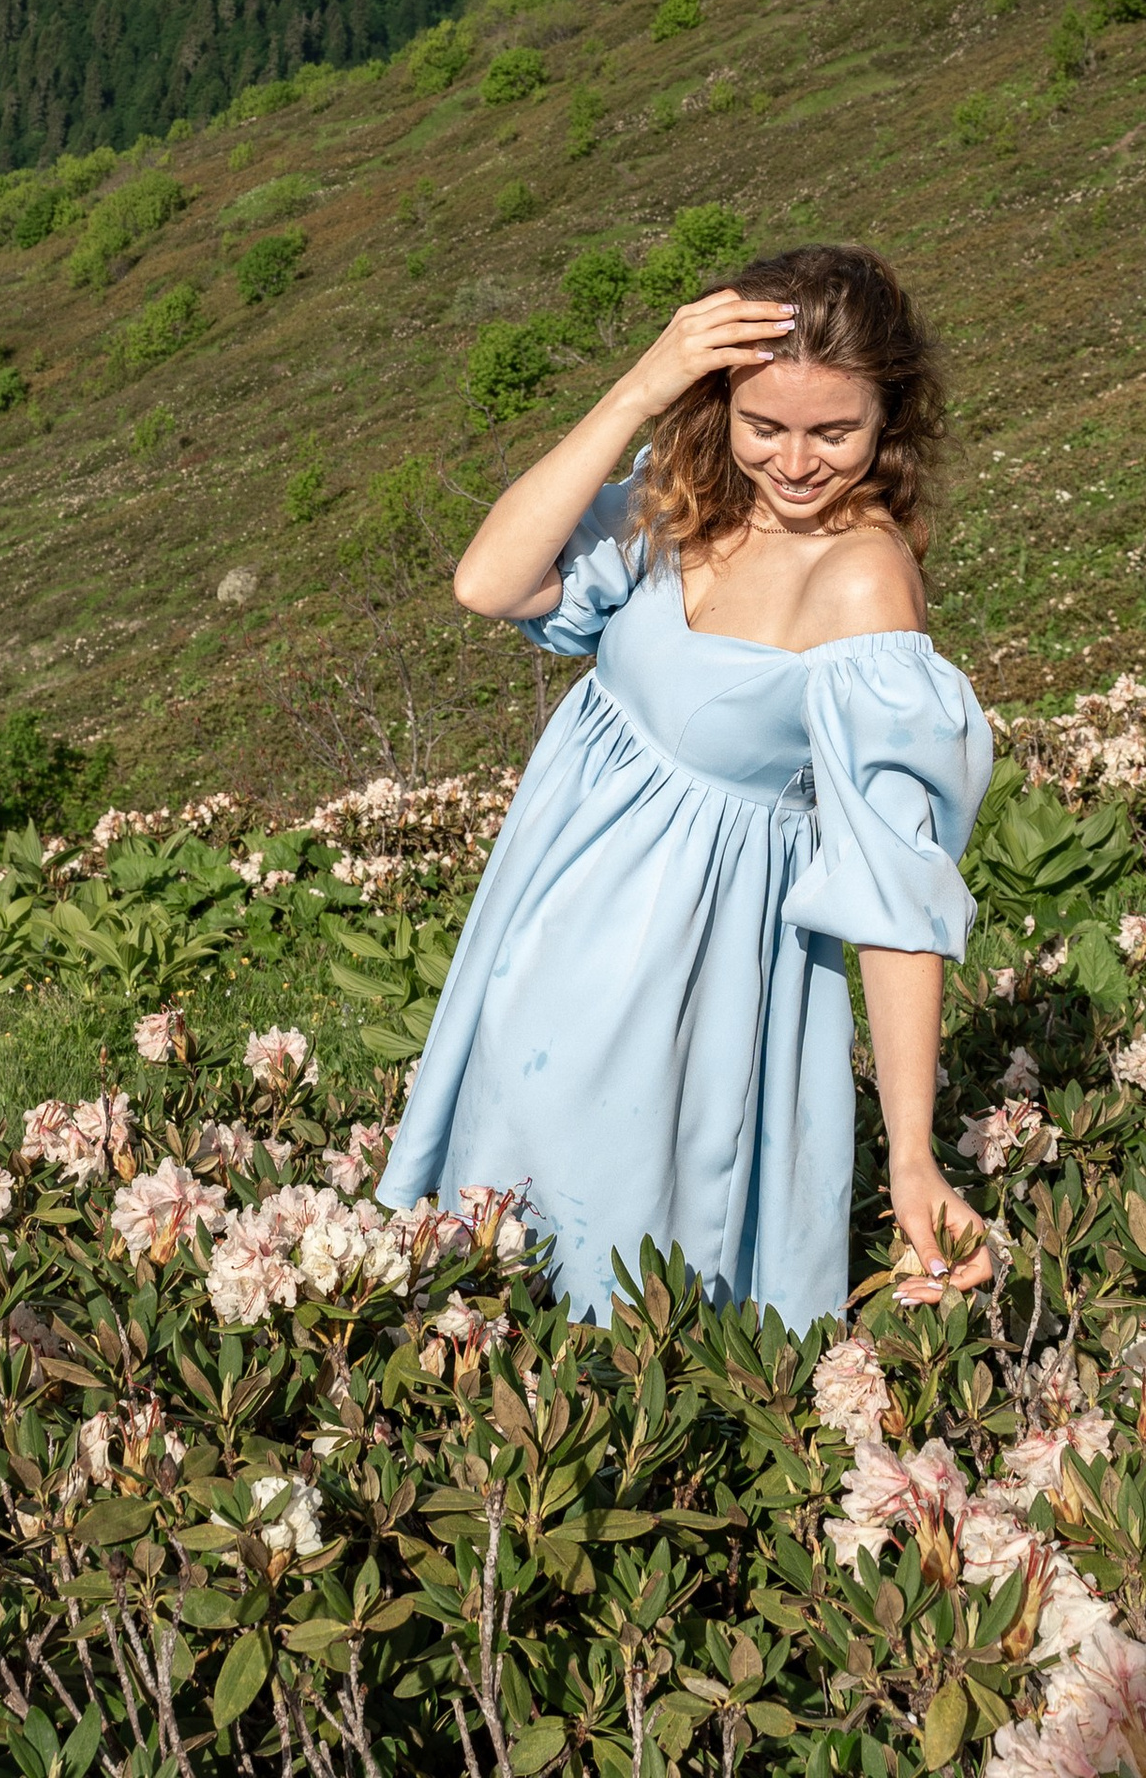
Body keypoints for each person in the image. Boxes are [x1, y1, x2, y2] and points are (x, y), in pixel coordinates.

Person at [378, 241, 995, 1329]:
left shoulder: (859, 582)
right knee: (500, 1240)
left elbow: (896, 895)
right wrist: (638, 389)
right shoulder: (686, 501)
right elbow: (490, 582)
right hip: (544, 937)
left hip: (687, 981)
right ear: (718, 408)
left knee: (612, 1269)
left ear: (887, 421)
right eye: (765, 425)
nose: (797, 463)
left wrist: (912, 1159)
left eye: (834, 431)